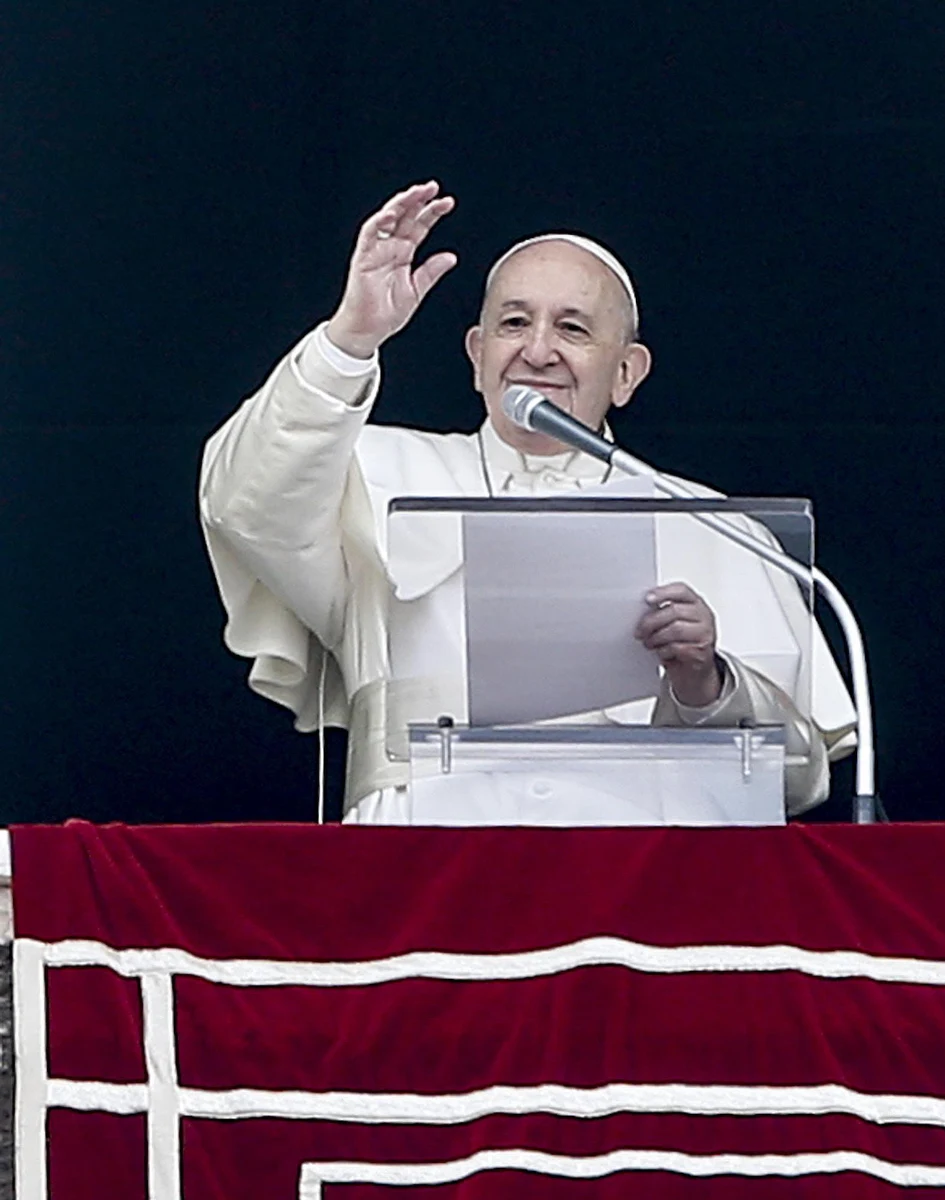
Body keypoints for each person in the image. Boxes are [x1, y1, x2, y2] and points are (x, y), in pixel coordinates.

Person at [200, 181, 856, 823]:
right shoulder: (369, 474)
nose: (537, 351)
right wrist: (350, 338)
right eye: (514, 323)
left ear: (626, 372)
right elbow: (243, 499)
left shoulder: (716, 526)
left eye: (572, 329)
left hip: (640, 894)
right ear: (478, 355)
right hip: (423, 879)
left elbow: (798, 780)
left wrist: (707, 684)